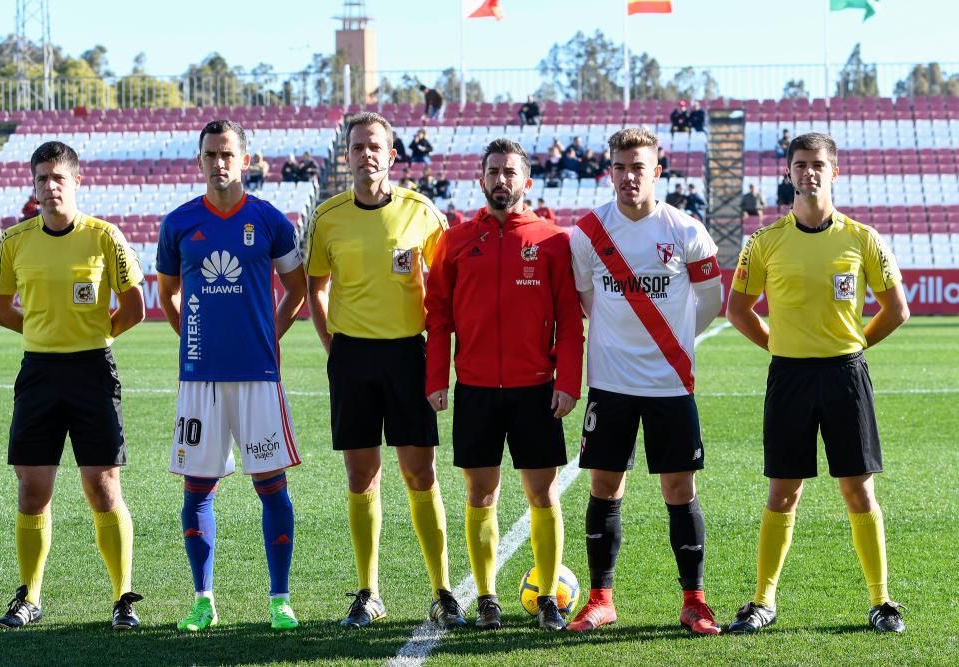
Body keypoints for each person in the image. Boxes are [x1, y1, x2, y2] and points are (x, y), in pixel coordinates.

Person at [726, 132, 910, 635]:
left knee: (858, 489)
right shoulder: (764, 243)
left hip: (846, 375)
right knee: (783, 492)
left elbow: (897, 310)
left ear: (834, 172)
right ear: (788, 174)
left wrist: (855, 345)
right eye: (800, 164)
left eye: (818, 164)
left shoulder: (862, 238)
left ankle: (881, 601)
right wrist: (779, 346)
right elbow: (738, 311)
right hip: (789, 377)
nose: (809, 172)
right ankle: (763, 601)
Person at [305, 111, 461, 630]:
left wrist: (437, 362)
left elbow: (443, 295)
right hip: (352, 357)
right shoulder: (328, 218)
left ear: (392, 155)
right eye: (357, 147)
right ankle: (368, 592)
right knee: (361, 476)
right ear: (346, 156)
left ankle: (442, 589)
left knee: (421, 474)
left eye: (375, 146)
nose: (366, 154)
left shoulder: (424, 214)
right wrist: (334, 348)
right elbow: (316, 289)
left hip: (406, 356)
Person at [567, 126, 723, 635]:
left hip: (670, 383)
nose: (629, 176)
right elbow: (586, 299)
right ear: (609, 171)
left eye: (639, 167)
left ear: (657, 171)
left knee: (679, 487)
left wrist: (673, 341)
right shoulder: (587, 233)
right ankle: (600, 599)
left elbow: (710, 302)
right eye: (620, 166)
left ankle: (694, 601)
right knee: (605, 486)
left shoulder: (687, 230)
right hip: (610, 383)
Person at [425, 138, 584, 631]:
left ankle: (549, 596)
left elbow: (570, 319)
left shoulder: (553, 240)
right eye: (493, 171)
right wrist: (437, 378)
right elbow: (438, 316)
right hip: (474, 389)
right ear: (481, 180)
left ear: (527, 181)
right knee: (481, 495)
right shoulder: (454, 241)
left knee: (543, 493)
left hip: (535, 389)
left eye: (510, 172)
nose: (501, 180)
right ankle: (488, 597)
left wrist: (568, 381)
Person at [0, 141, 146, 630]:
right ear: (32, 186)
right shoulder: (13, 241)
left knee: (102, 486)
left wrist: (93, 336)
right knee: (33, 490)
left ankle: (123, 598)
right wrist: (42, 333)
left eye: (58, 177)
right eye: (41, 179)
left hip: (92, 371)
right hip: (38, 371)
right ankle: (29, 596)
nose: (50, 186)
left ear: (77, 181)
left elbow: (135, 307)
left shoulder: (105, 238)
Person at [156, 119, 308, 632]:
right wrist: (193, 341)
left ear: (245, 160)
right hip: (200, 380)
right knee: (197, 491)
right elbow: (168, 295)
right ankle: (203, 600)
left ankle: (279, 600)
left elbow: (297, 288)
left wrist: (271, 337)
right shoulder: (178, 223)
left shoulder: (270, 220)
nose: (219, 163)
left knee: (271, 487)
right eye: (210, 154)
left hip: (258, 377)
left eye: (227, 154)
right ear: (198, 161)